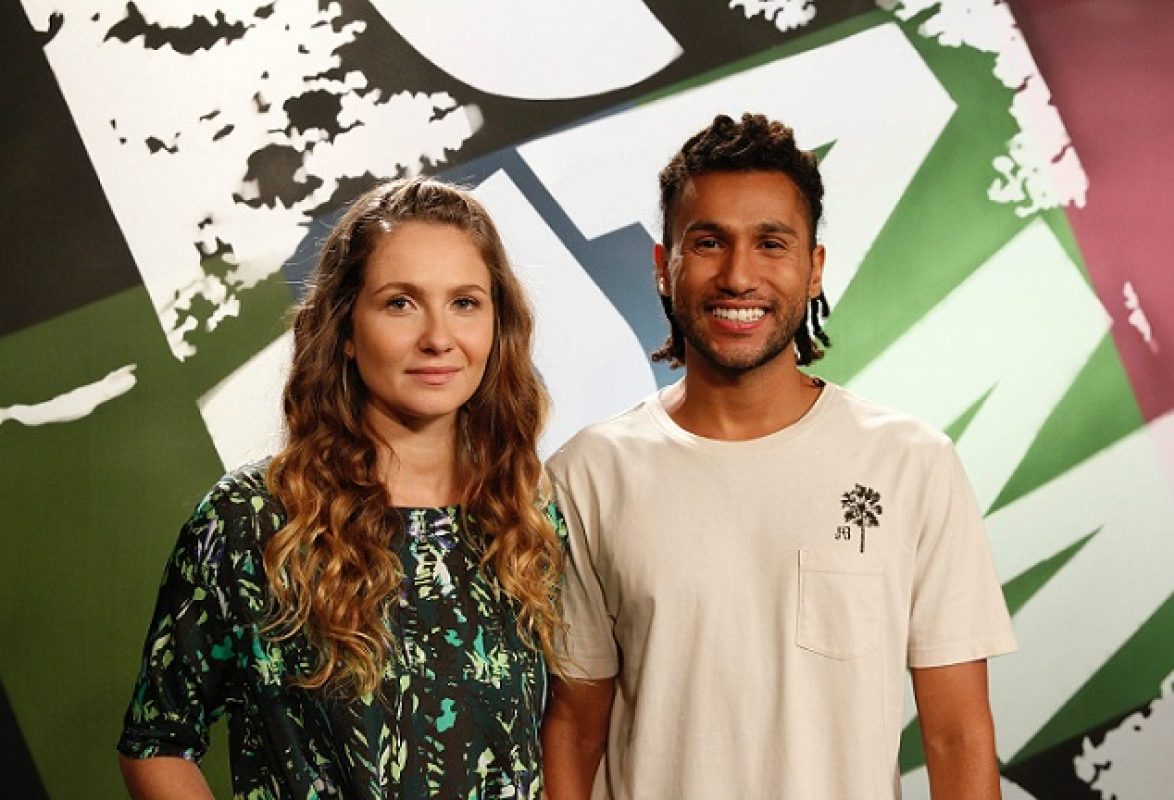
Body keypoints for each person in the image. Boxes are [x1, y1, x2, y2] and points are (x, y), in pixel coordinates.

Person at [541, 113, 1017, 800]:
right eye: (709, 242)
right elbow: (575, 729)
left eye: (771, 243)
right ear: (664, 268)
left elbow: (958, 736)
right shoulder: (588, 474)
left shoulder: (911, 464)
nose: (739, 275)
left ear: (814, 268)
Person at [117, 177, 565, 799]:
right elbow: (157, 743)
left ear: (498, 325)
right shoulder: (253, 520)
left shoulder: (527, 519)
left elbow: (571, 739)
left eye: (465, 303)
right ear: (346, 330)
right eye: (400, 303)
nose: (439, 338)